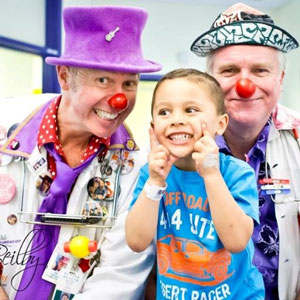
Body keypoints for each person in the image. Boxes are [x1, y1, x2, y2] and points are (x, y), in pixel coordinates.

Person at [0, 5, 161, 300]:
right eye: (103, 80)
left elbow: (119, 278)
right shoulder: (3, 124)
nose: (119, 99)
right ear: (64, 77)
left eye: (129, 83)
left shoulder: (138, 170)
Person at [190, 3, 300, 300]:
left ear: (280, 79)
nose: (245, 84)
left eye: (260, 70)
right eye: (229, 70)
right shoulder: (177, 148)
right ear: (209, 83)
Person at [126, 68, 265, 299]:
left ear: (220, 125)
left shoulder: (236, 173)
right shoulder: (151, 176)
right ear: (153, 127)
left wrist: (211, 175)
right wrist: (155, 182)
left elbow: (237, 241)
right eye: (164, 112)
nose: (176, 120)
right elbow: (137, 242)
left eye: (191, 110)